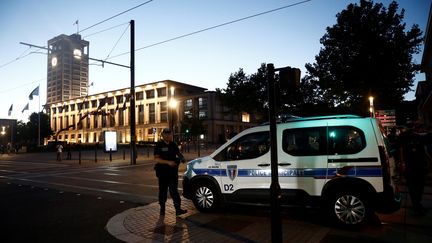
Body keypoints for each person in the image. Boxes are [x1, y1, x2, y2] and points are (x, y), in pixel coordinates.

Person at [154, 128, 187, 216]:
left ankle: (178, 209)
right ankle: (162, 209)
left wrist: (182, 158)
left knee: (174, 191)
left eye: (169, 134)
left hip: (172, 173)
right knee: (163, 191)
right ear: (162, 135)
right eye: (166, 134)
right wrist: (168, 162)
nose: (168, 135)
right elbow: (156, 158)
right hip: (163, 173)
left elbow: (178, 153)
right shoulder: (159, 145)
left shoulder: (173, 144)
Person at [399, 124, 429, 215]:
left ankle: (416, 203)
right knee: (415, 186)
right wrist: (402, 162)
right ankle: (417, 205)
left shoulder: (420, 138)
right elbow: (401, 149)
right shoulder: (406, 137)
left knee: (417, 186)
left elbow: (424, 151)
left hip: (416, 166)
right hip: (412, 166)